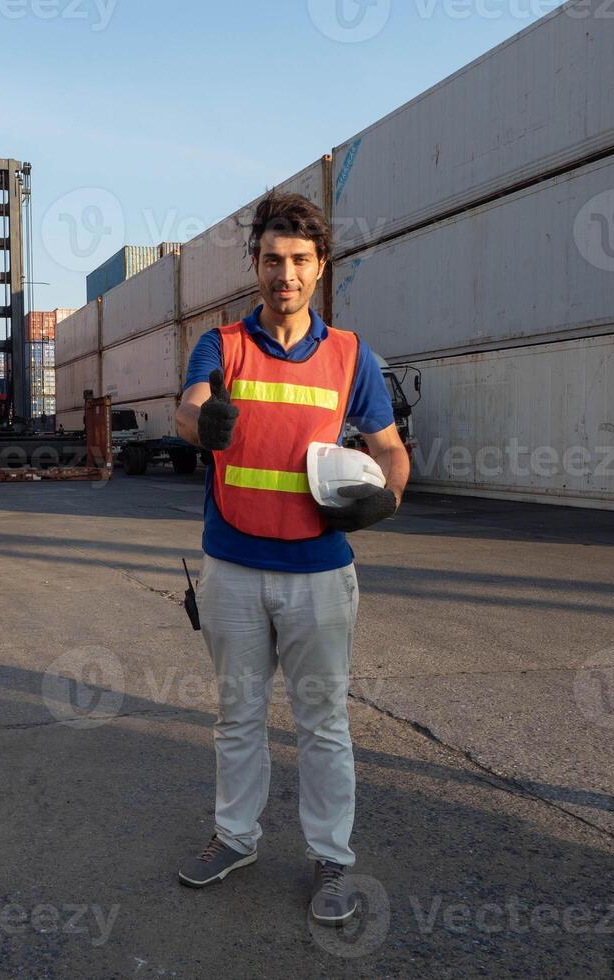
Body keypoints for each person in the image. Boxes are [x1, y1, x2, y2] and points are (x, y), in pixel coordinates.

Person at [174, 192, 409, 926]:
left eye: (299, 260)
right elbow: (188, 407)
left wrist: (388, 499)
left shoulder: (349, 356)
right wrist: (201, 420)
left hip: (319, 573)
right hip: (234, 568)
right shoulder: (222, 345)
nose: (285, 274)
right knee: (237, 717)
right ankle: (235, 838)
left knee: (322, 722)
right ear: (255, 266)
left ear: (320, 267)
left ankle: (331, 859)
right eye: (272, 260)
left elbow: (391, 451)